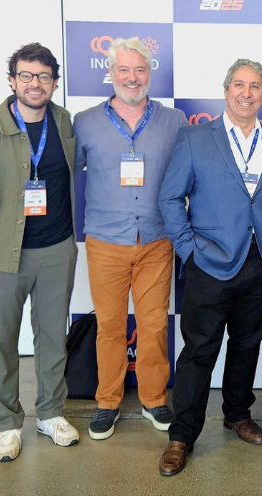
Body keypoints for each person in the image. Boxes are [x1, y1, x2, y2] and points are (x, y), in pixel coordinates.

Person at [157, 59, 262, 477]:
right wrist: (189, 251)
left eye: (255, 86)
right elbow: (170, 198)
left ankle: (237, 414)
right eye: (239, 85)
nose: (246, 93)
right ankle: (182, 435)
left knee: (247, 345)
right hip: (209, 263)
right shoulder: (194, 137)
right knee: (199, 351)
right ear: (226, 89)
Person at [0, 43, 79, 461]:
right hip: (3, 258)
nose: (34, 83)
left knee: (53, 339)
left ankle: (50, 414)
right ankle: (8, 424)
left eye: (43, 76)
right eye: (26, 75)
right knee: (1, 343)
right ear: (12, 81)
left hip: (57, 250)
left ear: (54, 83)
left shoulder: (63, 121)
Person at [73, 38, 188, 441]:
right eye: (124, 69)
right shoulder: (84, 122)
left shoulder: (175, 121)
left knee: (154, 325)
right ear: (111, 73)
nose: (132, 78)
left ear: (149, 73)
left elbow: (193, 169)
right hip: (105, 240)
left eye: (140, 70)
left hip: (157, 238)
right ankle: (108, 402)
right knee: (109, 327)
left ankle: (154, 399)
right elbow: (63, 171)